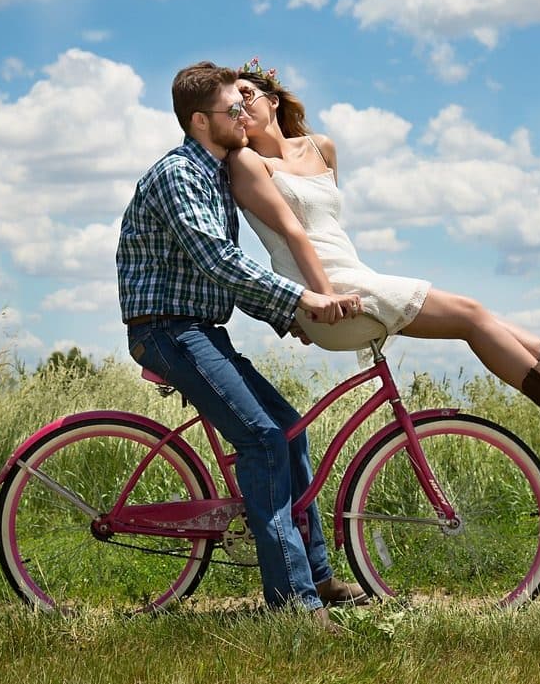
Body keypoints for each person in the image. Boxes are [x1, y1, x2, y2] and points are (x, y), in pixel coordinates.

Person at [228, 58, 540, 442]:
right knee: (472, 316)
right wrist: (315, 300)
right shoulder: (248, 163)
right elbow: (294, 235)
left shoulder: (321, 148)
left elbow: (330, 229)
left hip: (351, 276)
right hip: (326, 292)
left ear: (273, 100)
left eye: (247, 95)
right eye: (231, 105)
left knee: (479, 317)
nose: (240, 107)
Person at [116, 61, 367, 628]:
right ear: (202, 121)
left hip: (201, 328)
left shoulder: (214, 175)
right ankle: (293, 604)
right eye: (234, 109)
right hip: (166, 330)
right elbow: (218, 261)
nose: (244, 117)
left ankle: (319, 578)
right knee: (263, 440)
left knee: (290, 429)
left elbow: (221, 277)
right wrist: (305, 300)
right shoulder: (180, 174)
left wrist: (287, 317)